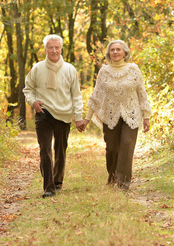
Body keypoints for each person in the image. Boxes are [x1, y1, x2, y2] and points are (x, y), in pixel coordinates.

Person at [78, 40, 151, 190]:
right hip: (110, 115)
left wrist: (146, 116)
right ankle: (112, 177)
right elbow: (96, 95)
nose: (116, 52)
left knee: (126, 145)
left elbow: (142, 93)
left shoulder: (133, 69)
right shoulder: (104, 72)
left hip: (131, 114)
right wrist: (86, 118)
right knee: (112, 148)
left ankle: (122, 183)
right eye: (113, 50)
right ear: (108, 53)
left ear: (125, 52)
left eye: (119, 49)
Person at [23, 34, 84, 198]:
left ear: (61, 48)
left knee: (60, 150)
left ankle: (57, 181)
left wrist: (78, 117)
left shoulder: (70, 69)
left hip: (64, 114)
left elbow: (76, 95)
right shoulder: (37, 68)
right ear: (45, 49)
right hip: (44, 113)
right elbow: (27, 89)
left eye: (57, 47)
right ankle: (48, 187)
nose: (54, 50)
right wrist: (32, 101)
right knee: (45, 150)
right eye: (51, 47)